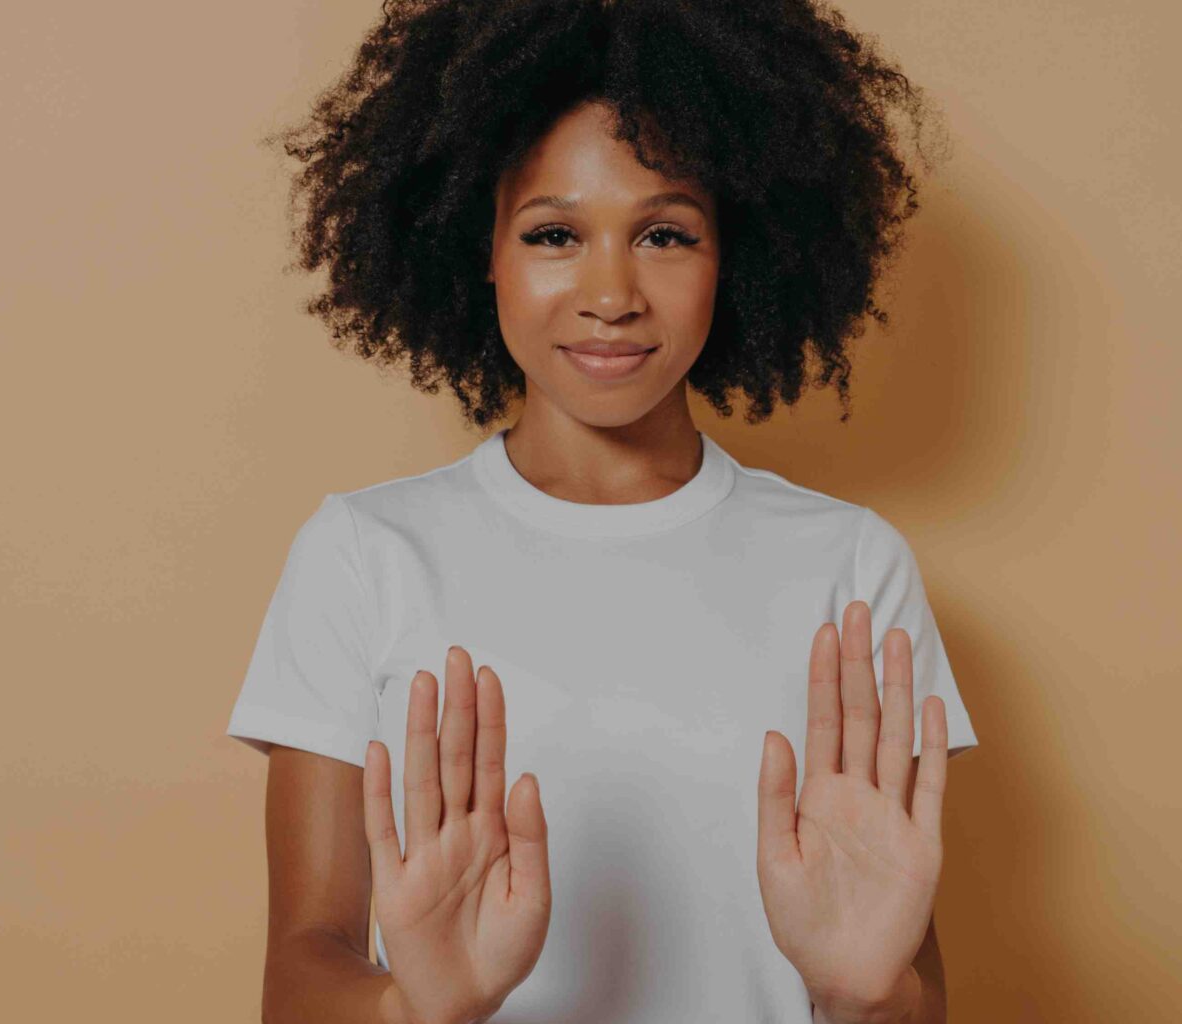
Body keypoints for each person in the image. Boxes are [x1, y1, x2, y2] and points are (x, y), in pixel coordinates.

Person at [228, 2, 979, 1021]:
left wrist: (859, 995)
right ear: (478, 247)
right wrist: (414, 1006)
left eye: (665, 233)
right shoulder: (364, 554)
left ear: (736, 255)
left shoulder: (850, 565)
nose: (612, 291)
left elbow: (910, 994)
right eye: (553, 234)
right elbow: (297, 974)